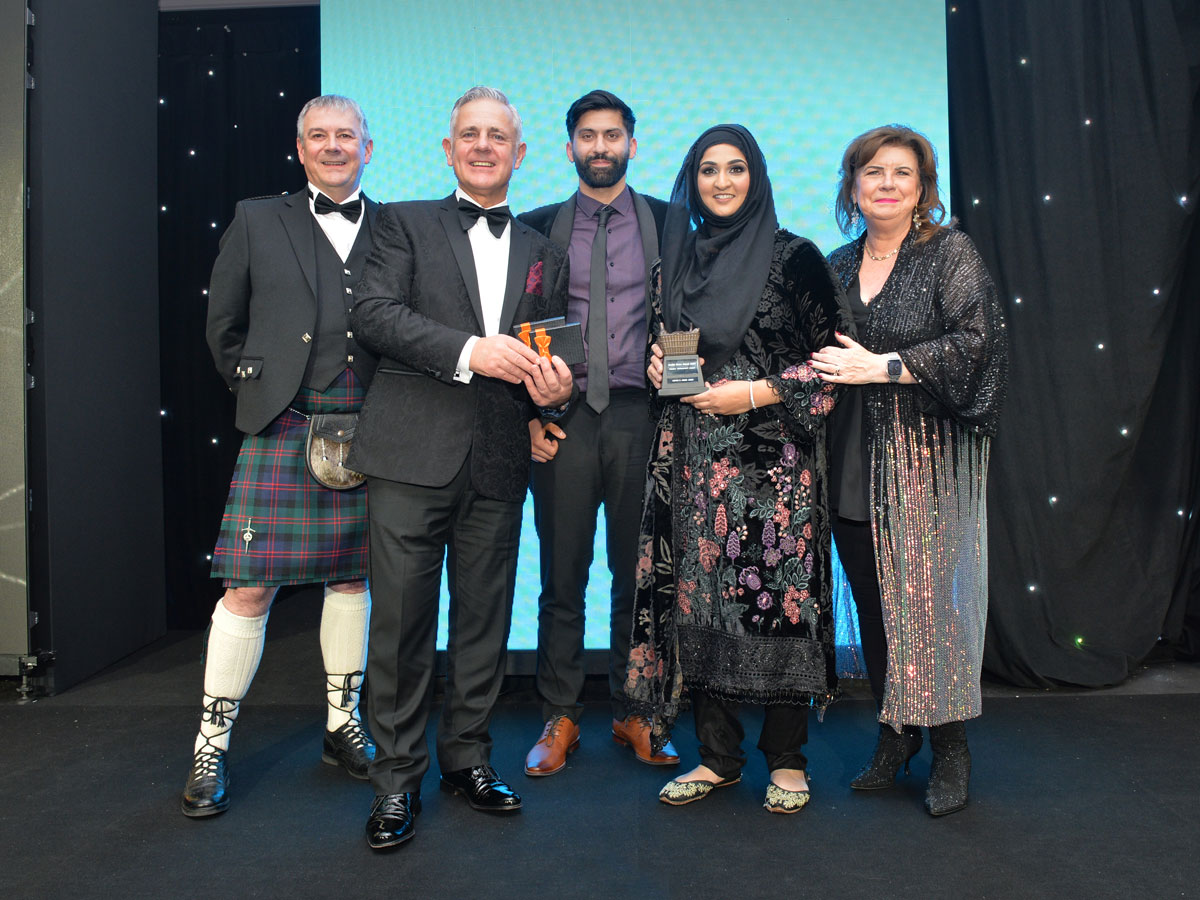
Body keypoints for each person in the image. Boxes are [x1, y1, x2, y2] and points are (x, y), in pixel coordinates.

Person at [347, 86, 574, 851]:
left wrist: (556, 396)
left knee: (484, 623)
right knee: (402, 627)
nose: (483, 146)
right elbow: (374, 315)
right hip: (410, 455)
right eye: (469, 135)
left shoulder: (545, 248)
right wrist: (470, 351)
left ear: (520, 152)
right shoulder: (400, 221)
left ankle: (467, 760)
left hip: (501, 456)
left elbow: (550, 348)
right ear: (448, 150)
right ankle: (396, 779)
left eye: (497, 135)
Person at [625, 125, 851, 814]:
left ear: (757, 177)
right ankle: (717, 757)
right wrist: (657, 366)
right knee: (704, 610)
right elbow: (668, 353)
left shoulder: (796, 259)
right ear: (692, 182)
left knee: (779, 606)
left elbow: (837, 362)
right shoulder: (677, 261)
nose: (721, 182)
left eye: (736, 169)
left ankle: (785, 759)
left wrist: (753, 393)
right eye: (708, 171)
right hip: (696, 468)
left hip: (776, 471)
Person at [183, 95, 379, 818]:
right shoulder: (257, 218)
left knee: (353, 581)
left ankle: (341, 725)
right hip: (284, 424)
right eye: (319, 136)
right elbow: (222, 324)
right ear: (300, 149)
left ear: (368, 147)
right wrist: (259, 388)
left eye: (346, 136)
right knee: (248, 589)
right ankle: (210, 744)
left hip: (372, 429)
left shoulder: (392, 226)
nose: (333, 146)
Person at [810, 124, 1008, 816]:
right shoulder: (833, 267)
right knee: (873, 606)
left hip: (924, 461)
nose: (887, 184)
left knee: (928, 609)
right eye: (873, 172)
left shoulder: (948, 252)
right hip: (850, 461)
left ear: (921, 187)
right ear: (853, 186)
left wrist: (884, 367)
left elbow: (978, 342)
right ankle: (897, 735)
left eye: (902, 172)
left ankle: (950, 746)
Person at [517, 90, 677, 776]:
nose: (602, 146)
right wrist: (532, 415)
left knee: (637, 576)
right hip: (566, 420)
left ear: (633, 145)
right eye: (589, 136)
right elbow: (513, 329)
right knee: (562, 573)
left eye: (613, 135)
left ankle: (635, 711)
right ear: (570, 147)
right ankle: (560, 715)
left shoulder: (673, 226)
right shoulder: (535, 227)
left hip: (645, 416)